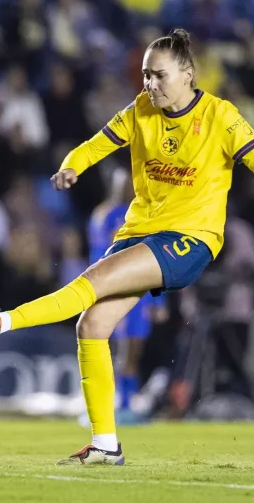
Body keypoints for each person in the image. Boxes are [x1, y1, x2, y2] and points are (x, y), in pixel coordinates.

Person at [0, 29, 254, 466]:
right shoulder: (140, 110)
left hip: (191, 238)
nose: (150, 84)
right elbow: (94, 146)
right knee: (91, 326)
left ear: (187, 74)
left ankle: (3, 320)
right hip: (139, 233)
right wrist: (70, 168)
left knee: (93, 282)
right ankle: (106, 444)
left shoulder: (220, 117)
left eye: (159, 76)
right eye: (145, 75)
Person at [86, 167, 165, 420]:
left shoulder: (146, 215)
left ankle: (127, 403)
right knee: (117, 347)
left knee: (135, 348)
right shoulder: (105, 215)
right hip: (115, 289)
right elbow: (98, 254)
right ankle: (114, 402)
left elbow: (155, 257)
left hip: (138, 289)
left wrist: (159, 296)